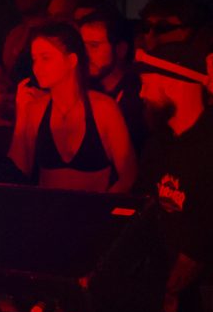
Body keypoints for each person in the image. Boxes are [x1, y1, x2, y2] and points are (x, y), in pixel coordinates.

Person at [134, 47, 213, 312]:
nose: (141, 94)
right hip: (164, 285)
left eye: (146, 85)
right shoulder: (159, 143)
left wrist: (181, 271)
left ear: (173, 84)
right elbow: (142, 203)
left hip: (210, 294)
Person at [8, 23, 137, 194]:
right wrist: (22, 116)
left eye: (45, 58)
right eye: (34, 59)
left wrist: (101, 210)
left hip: (92, 215)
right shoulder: (36, 110)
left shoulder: (104, 109)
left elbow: (129, 175)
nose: (37, 67)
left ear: (71, 60)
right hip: (48, 215)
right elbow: (16, 174)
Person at [79, 8, 148, 154]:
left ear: (120, 50)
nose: (84, 54)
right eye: (81, 46)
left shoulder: (141, 95)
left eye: (94, 46)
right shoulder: (80, 91)